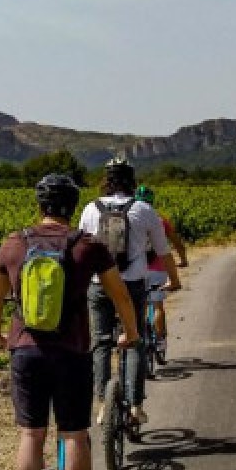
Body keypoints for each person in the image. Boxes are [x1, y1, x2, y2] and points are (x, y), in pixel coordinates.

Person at [0, 174, 140, 470]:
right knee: (73, 435)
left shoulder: (13, 244)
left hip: (25, 351)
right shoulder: (88, 246)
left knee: (30, 434)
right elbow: (119, 296)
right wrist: (130, 333)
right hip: (71, 352)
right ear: (73, 207)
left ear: (39, 206)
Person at [78, 157, 182, 427]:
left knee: (100, 343)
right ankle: (135, 406)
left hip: (99, 285)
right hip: (132, 285)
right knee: (134, 340)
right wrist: (174, 280)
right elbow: (163, 251)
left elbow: (79, 252)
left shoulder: (91, 209)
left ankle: (102, 404)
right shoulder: (144, 210)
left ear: (106, 181)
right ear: (131, 182)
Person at [135, 184, 189, 360]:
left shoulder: (131, 217)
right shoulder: (159, 220)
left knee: (140, 307)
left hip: (137, 269)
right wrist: (183, 260)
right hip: (158, 269)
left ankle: (140, 340)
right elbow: (177, 243)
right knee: (158, 306)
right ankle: (159, 341)